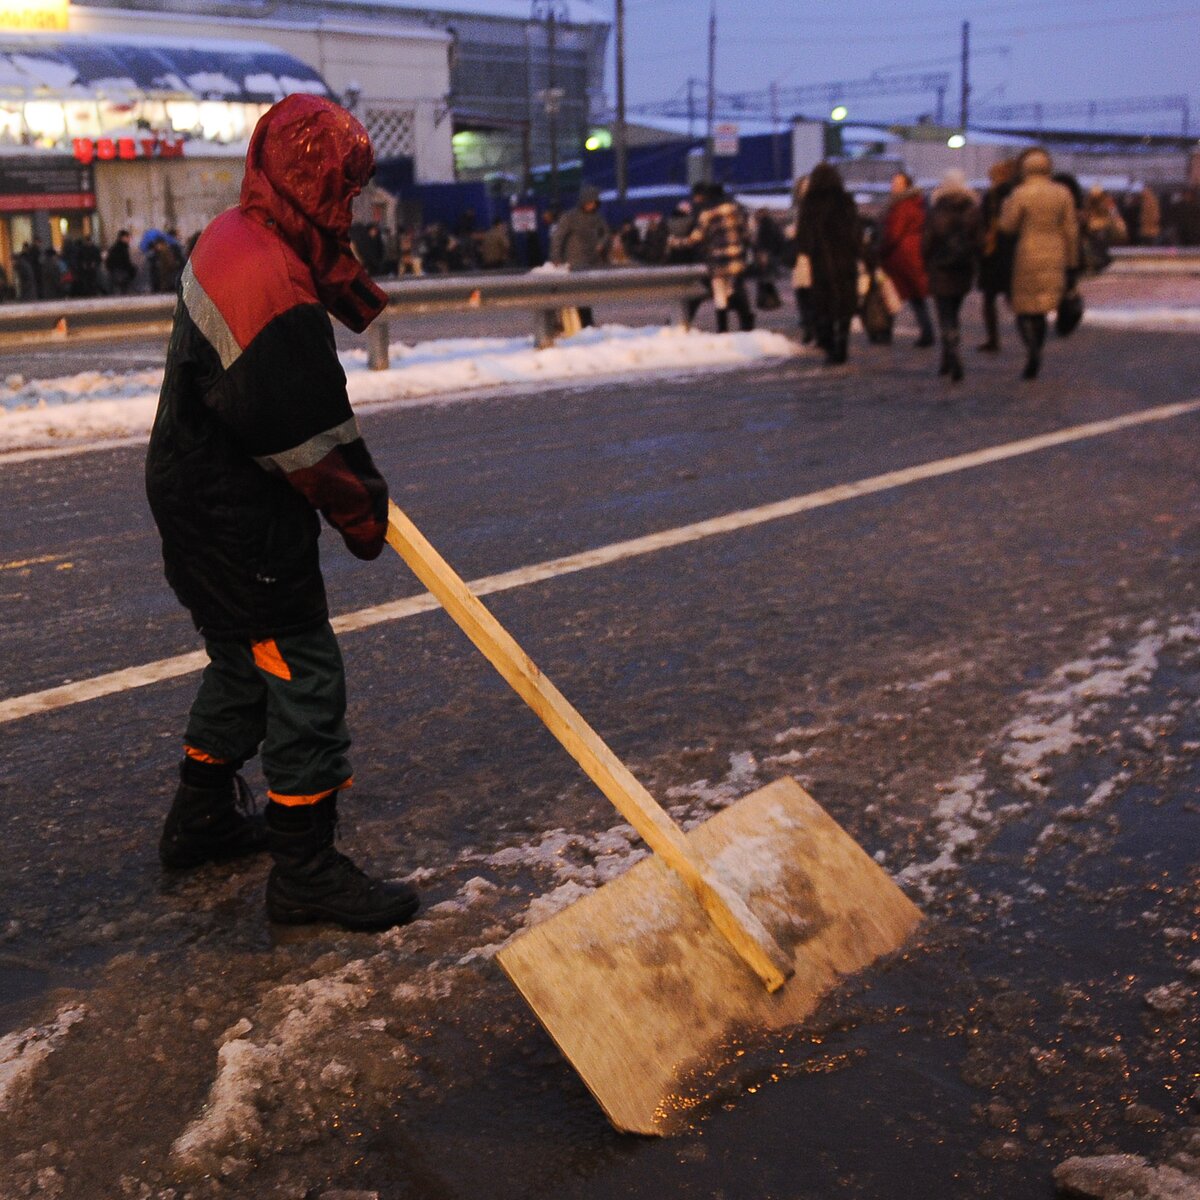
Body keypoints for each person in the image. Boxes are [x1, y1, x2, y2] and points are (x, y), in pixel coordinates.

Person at [144, 94, 420, 932]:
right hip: (235, 513)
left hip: (205, 490)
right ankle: (305, 869)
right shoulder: (263, 277)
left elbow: (316, 274)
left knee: (242, 663)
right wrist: (361, 507)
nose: (354, 205)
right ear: (313, 180)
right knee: (301, 670)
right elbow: (304, 433)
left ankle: (200, 821)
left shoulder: (245, 229)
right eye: (347, 187)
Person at [997, 147, 1079, 381]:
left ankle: (1031, 348)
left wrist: (1005, 209)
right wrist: (1072, 263)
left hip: (1027, 252)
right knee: (1042, 309)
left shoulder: (1020, 193)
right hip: (1056, 252)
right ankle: (1039, 347)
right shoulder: (1062, 193)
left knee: (1024, 308)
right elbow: (1071, 231)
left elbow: (1008, 227)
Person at [794, 162, 860, 365]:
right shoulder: (846, 201)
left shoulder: (810, 203)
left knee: (824, 305)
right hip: (846, 260)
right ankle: (842, 343)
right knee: (845, 303)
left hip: (821, 262)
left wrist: (803, 253)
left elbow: (803, 237)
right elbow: (855, 232)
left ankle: (830, 345)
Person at [922, 168, 981, 383]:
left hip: (940, 269)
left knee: (944, 313)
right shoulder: (972, 210)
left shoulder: (937, 210)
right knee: (954, 311)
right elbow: (978, 241)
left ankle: (950, 345)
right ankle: (948, 355)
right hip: (962, 269)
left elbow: (927, 241)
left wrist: (926, 260)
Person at [675, 183, 755, 333]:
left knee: (719, 292)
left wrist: (677, 242)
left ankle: (723, 328)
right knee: (732, 290)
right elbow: (746, 233)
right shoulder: (736, 210)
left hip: (717, 258)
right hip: (736, 256)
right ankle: (746, 318)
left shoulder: (707, 214)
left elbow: (696, 237)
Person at [881, 170, 935, 348]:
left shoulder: (903, 205)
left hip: (902, 255)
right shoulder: (914, 202)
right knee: (914, 296)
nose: (893, 186)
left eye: (897, 183)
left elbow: (894, 233)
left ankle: (885, 332)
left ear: (906, 186)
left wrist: (881, 250)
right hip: (910, 254)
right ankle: (926, 331)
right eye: (893, 182)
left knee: (891, 293)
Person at [550, 185, 610, 326]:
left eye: (594, 203)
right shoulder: (570, 217)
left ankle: (586, 322)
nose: (591, 206)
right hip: (573, 261)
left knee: (585, 294)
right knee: (575, 295)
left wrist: (601, 243)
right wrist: (556, 257)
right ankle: (578, 323)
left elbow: (606, 233)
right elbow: (558, 236)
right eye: (589, 203)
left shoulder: (597, 218)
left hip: (590, 261)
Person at [976, 159, 1016, 353]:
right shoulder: (1017, 195)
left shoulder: (990, 196)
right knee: (1014, 297)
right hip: (1011, 252)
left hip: (992, 253)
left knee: (989, 300)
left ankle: (993, 339)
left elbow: (982, 222)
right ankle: (1028, 331)